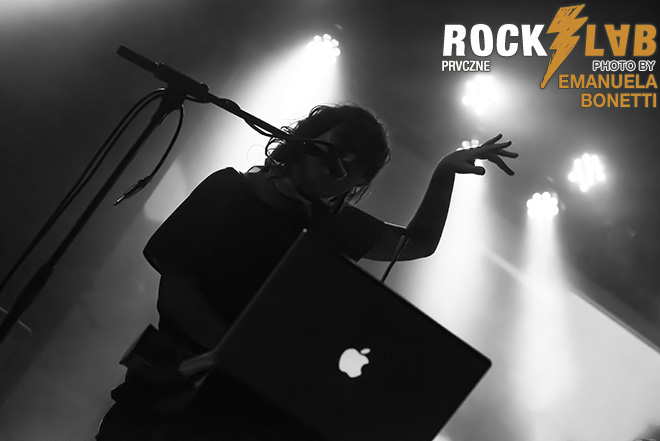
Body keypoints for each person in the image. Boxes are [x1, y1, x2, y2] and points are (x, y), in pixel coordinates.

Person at [96, 103, 517, 440]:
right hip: (170, 389)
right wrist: (237, 352)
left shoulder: (332, 225)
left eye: (360, 165)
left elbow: (416, 244)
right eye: (342, 147)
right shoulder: (229, 189)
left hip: (242, 411)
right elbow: (176, 287)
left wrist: (445, 172)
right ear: (307, 140)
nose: (345, 164)